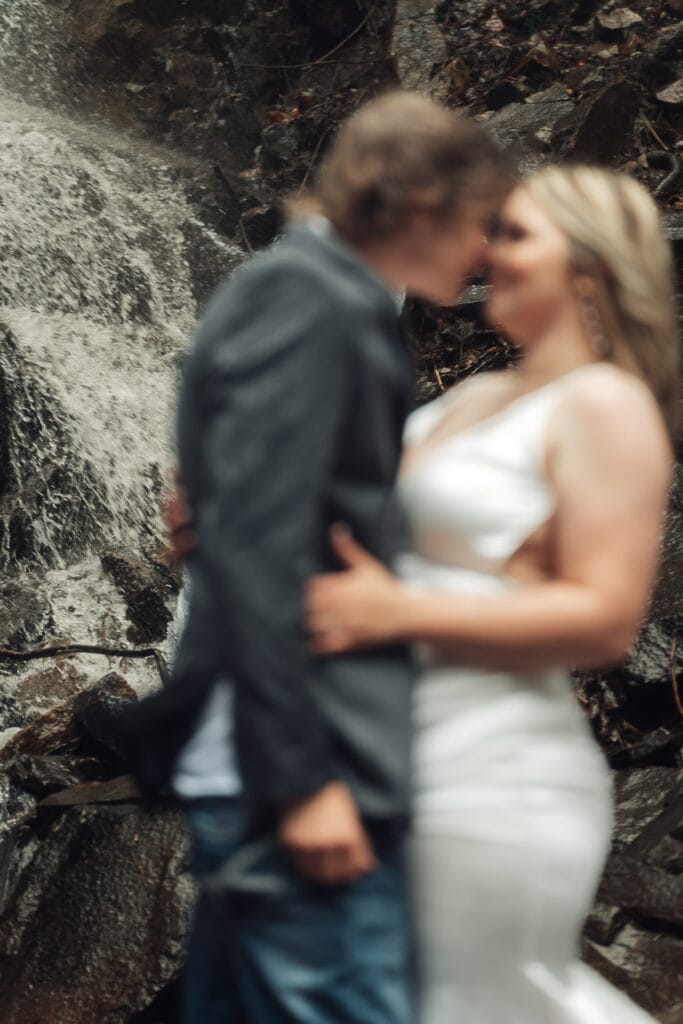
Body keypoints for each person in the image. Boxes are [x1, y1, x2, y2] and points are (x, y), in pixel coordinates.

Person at [119, 91, 512, 1024]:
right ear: (417, 204)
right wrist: (303, 781)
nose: (488, 250)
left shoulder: (304, 295)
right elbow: (261, 548)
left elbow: (244, 524)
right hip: (299, 760)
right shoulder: (310, 302)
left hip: (271, 755)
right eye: (479, 221)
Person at [306, 165, 678, 1023]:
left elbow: (605, 617)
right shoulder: (466, 401)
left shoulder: (604, 404)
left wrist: (397, 613)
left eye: (513, 234)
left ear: (586, 265)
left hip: (487, 774)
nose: (484, 250)